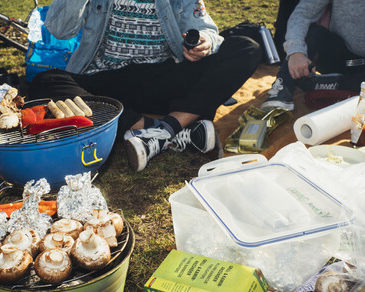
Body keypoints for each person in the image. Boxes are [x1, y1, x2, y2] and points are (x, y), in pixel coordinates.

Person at [29, 0, 262, 171]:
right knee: (45, 83)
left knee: (246, 48)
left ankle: (158, 131)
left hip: (159, 79)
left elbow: (207, 30)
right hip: (104, 80)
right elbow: (59, 30)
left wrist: (205, 42)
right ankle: (168, 129)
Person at [261, 0, 365, 111]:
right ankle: (283, 88)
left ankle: (327, 83)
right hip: (339, 54)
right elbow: (302, 14)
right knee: (314, 33)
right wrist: (296, 52)